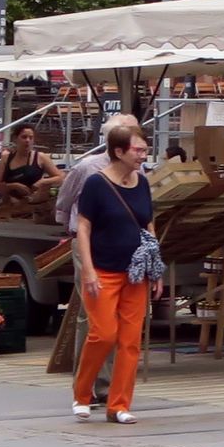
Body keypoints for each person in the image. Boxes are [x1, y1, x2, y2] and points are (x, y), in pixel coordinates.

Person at [71, 124, 160, 425]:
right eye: (138, 150)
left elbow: (149, 226)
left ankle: (119, 404)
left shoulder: (143, 183)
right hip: (104, 270)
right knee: (103, 333)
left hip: (136, 272)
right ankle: (82, 394)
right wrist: (89, 270)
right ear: (119, 151)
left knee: (130, 340)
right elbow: (83, 226)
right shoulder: (96, 184)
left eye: (145, 149)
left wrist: (155, 266)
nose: (143, 155)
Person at [0, 126, 63, 204]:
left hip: (34, 203)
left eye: (31, 138)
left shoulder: (41, 157)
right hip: (10, 204)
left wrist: (43, 182)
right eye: (24, 137)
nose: (27, 140)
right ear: (15, 139)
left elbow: (61, 177)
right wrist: (14, 186)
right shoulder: (6, 158)